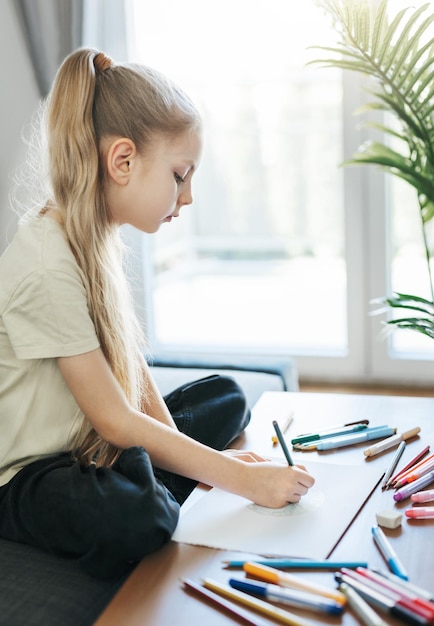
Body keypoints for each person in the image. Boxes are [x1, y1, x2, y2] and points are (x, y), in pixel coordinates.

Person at [0, 48, 315, 580]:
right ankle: (154, 478)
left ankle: (155, 469)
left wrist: (203, 461)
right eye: (179, 175)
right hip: (33, 472)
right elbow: (114, 418)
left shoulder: (92, 234)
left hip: (88, 442)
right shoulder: (47, 266)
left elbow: (130, 366)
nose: (187, 196)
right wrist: (242, 481)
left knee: (226, 397)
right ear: (122, 161)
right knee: (141, 516)